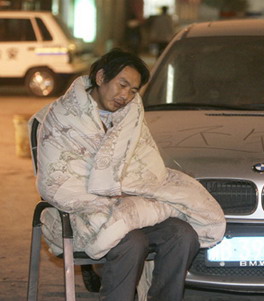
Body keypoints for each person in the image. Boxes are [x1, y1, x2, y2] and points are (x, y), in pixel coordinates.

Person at [32, 49, 225, 301]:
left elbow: (146, 166)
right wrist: (110, 192)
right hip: (84, 213)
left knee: (183, 234)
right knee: (131, 243)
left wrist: (130, 189)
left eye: (133, 91)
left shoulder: (131, 117)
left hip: (133, 207)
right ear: (101, 77)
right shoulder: (62, 118)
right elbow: (56, 181)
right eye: (122, 85)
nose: (125, 96)